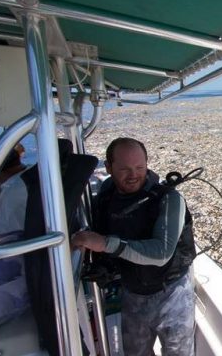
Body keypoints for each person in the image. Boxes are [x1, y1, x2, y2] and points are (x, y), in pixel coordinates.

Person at [72, 137, 196, 356]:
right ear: (108, 167)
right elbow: (103, 225)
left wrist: (105, 244)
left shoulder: (169, 200)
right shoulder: (108, 194)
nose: (133, 175)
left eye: (140, 167)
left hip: (173, 293)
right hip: (133, 292)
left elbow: (161, 252)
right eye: (124, 169)